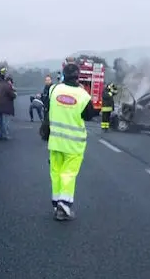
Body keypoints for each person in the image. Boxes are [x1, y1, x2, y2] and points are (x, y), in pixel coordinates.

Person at [47, 63, 97, 221]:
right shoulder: (83, 95)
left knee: (55, 172)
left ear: (62, 75)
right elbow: (89, 115)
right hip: (74, 144)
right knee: (68, 173)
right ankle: (64, 204)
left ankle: (56, 203)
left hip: (55, 141)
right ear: (78, 76)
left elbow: (49, 106)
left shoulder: (53, 90)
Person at [0, 74, 16, 140]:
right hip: (5, 107)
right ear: (9, 81)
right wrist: (13, 90)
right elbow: (13, 95)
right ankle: (5, 135)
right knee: (5, 122)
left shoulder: (0, 85)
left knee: (0, 121)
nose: (11, 83)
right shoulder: (8, 86)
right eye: (11, 82)